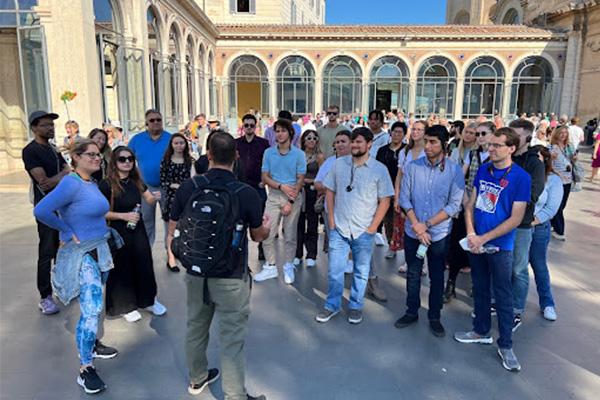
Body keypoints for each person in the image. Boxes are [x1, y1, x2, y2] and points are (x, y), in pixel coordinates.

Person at [167, 132, 270, 400]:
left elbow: (173, 227)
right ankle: (234, 395)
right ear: (236, 156)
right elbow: (257, 236)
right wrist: (267, 228)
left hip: (196, 273)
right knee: (232, 338)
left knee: (195, 326)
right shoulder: (245, 192)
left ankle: (197, 378)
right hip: (231, 276)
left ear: (208, 155)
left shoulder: (190, 186)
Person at [34, 139, 119, 394]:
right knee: (92, 310)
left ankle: (91, 345)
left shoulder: (89, 183)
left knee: (94, 307)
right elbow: (42, 210)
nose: (97, 158)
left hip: (99, 249)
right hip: (81, 255)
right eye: (91, 155)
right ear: (76, 157)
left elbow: (92, 212)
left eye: (98, 155)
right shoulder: (71, 182)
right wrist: (67, 230)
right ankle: (85, 369)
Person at [454, 127, 531, 373]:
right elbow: (470, 204)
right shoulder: (484, 169)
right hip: (477, 242)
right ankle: (481, 330)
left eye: (498, 145)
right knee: (480, 289)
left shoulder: (521, 178)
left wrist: (484, 238)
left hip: (500, 246)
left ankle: (506, 344)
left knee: (503, 295)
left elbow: (516, 218)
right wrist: (471, 234)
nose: (491, 148)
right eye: (491, 144)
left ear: (511, 148)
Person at [315, 127, 394, 325]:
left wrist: (373, 227)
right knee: (334, 271)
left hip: (363, 230)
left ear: (369, 144)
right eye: (353, 141)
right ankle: (332, 306)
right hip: (339, 228)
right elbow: (330, 191)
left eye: (359, 142)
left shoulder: (379, 169)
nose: (355, 145)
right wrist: (331, 220)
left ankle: (356, 306)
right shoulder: (339, 164)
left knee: (361, 271)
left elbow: (385, 200)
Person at [395, 125, 464, 337]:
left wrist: (428, 225)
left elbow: (454, 205)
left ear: (444, 144)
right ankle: (411, 310)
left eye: (433, 142)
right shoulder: (413, 167)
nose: (427, 146)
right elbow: (404, 198)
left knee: (436, 276)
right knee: (413, 273)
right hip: (413, 231)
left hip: (439, 234)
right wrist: (417, 225)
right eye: (426, 141)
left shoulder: (454, 170)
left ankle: (434, 316)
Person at [98, 146, 165, 322]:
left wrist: (156, 196)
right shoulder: (106, 185)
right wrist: (123, 215)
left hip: (137, 228)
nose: (127, 162)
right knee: (122, 267)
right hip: (118, 231)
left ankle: (148, 300)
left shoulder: (136, 180)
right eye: (122, 159)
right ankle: (125, 306)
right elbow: (99, 212)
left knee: (144, 263)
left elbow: (148, 198)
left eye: (130, 159)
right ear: (114, 162)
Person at [22, 110, 70, 315]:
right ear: (34, 127)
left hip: (63, 207)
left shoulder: (52, 149)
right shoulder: (31, 151)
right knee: (47, 251)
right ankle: (45, 297)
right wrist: (64, 174)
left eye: (52, 125)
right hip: (46, 209)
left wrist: (64, 174)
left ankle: (60, 287)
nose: (51, 128)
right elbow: (45, 183)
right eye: (45, 125)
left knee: (63, 250)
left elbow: (68, 170)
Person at [444, 121, 493, 302]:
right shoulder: (472, 155)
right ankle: (450, 284)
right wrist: (465, 200)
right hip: (468, 205)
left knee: (481, 249)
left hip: (487, 208)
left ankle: (477, 285)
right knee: (457, 244)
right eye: (477, 134)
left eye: (483, 134)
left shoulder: (496, 157)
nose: (479, 138)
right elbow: (460, 176)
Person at [254, 119, 306, 284]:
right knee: (267, 232)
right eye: (277, 131)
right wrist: (280, 186)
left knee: (290, 235)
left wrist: (290, 200)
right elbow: (265, 177)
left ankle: (288, 265)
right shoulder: (269, 152)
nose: (280, 134)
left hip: (293, 197)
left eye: (283, 130)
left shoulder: (299, 154)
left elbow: (300, 179)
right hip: (274, 195)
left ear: (290, 133)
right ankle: (270, 266)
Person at [508, 119, 545, 332]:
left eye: (515, 134)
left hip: (521, 224)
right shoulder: (506, 157)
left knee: (519, 269)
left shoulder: (534, 163)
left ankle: (516, 309)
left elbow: (533, 194)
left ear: (528, 137)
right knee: (501, 265)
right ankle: (500, 301)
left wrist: (508, 198)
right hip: (500, 223)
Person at [128, 109, 171, 246]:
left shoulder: (170, 138)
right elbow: (127, 159)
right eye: (152, 120)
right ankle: (146, 252)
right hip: (145, 187)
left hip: (167, 187)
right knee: (146, 221)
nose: (156, 122)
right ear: (146, 123)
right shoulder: (137, 140)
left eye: (158, 119)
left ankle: (170, 253)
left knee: (169, 220)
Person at [529, 147, 563, 321]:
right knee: (513, 267)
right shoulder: (524, 175)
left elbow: (551, 208)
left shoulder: (553, 180)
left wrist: (531, 221)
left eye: (538, 158)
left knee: (539, 265)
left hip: (538, 228)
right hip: (517, 226)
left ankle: (547, 303)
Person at [235, 114, 270, 261]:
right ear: (243, 127)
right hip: (241, 186)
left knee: (259, 218)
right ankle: (239, 250)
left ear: (256, 127)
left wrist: (265, 181)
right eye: (246, 125)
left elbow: (268, 164)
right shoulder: (236, 143)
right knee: (240, 220)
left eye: (251, 125)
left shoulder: (263, 143)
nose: (249, 128)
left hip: (258, 185)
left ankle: (262, 249)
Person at [394, 120, 427, 274]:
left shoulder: (428, 151)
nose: (415, 132)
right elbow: (399, 175)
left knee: (423, 230)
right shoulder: (405, 151)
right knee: (408, 231)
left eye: (420, 130)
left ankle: (423, 261)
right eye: (414, 129)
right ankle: (410, 261)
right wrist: (397, 196)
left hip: (424, 196)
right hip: (407, 197)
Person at [160, 133, 193, 272]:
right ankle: (171, 258)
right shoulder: (166, 161)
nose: (179, 146)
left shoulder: (190, 161)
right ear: (171, 145)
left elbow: (193, 180)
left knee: (188, 228)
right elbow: (163, 181)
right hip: (171, 198)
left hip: (186, 199)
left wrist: (183, 187)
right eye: (176, 143)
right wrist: (174, 186)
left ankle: (188, 255)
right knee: (170, 230)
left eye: (182, 143)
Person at [376, 121, 406, 259]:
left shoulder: (406, 150)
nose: (396, 135)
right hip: (385, 188)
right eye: (394, 132)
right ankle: (391, 245)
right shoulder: (383, 150)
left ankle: (405, 247)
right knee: (388, 219)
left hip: (401, 188)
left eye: (399, 132)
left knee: (401, 219)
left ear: (404, 135)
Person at [294, 129, 324, 268]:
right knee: (298, 223)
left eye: (314, 138)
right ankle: (297, 254)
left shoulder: (319, 157)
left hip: (312, 192)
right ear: (303, 141)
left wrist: (308, 181)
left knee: (312, 223)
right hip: (299, 192)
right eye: (309, 138)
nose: (312, 140)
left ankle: (311, 254)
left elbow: (322, 176)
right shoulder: (297, 155)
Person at [548, 125, 576, 241]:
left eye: (565, 133)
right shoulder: (552, 148)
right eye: (561, 133)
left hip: (568, 179)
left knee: (562, 205)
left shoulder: (569, 147)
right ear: (556, 134)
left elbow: (571, 160)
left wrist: (574, 160)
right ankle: (560, 230)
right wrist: (554, 170)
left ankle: (552, 223)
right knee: (558, 205)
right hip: (557, 180)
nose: (563, 135)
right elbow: (548, 164)